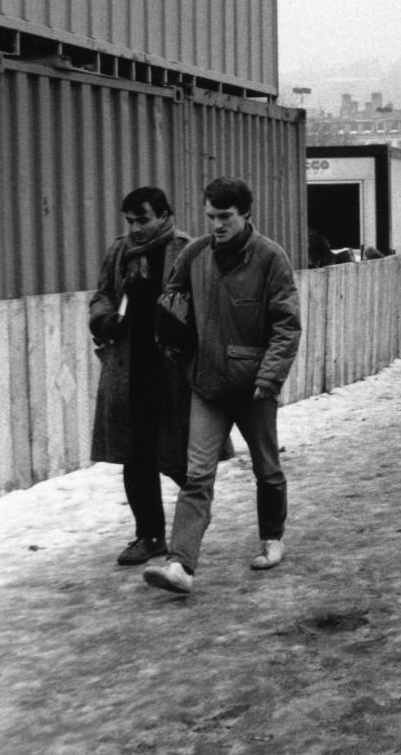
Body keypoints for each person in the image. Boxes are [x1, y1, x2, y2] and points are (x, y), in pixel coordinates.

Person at [143, 177, 302, 595]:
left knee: (266, 469)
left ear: (246, 214)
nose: (215, 224)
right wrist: (173, 337)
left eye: (224, 216)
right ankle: (180, 564)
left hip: (254, 388)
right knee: (197, 476)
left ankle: (272, 538)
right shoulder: (195, 254)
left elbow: (287, 325)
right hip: (207, 384)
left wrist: (269, 376)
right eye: (210, 215)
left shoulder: (270, 258)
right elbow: (171, 305)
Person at [89, 187, 217, 566]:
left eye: (143, 220)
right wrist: (103, 318)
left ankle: (193, 520)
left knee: (180, 456)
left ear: (164, 215)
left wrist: (184, 327)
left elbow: (208, 302)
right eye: (130, 221)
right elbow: (102, 294)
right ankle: (149, 535)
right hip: (130, 368)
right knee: (135, 454)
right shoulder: (120, 251)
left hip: (173, 368)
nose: (136, 229)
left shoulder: (189, 250)